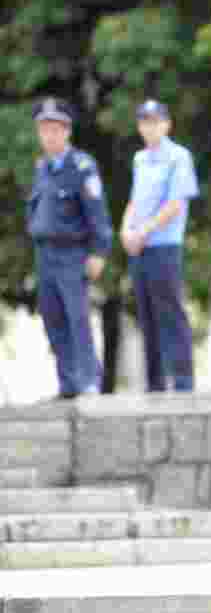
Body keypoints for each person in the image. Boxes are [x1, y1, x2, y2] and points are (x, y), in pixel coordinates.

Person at [26, 97, 112, 399]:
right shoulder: (42, 167)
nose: (49, 135)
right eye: (44, 129)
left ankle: (89, 381)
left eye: (55, 129)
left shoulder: (82, 166)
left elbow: (97, 213)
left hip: (72, 254)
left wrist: (99, 252)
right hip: (45, 255)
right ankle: (68, 383)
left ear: (66, 132)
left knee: (77, 318)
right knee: (53, 319)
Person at [120, 99, 199, 393]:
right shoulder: (140, 159)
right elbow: (134, 201)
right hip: (139, 247)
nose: (149, 127)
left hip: (164, 245)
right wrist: (125, 230)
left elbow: (176, 204)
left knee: (170, 312)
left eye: (155, 121)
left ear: (167, 124)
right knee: (146, 315)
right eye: (144, 122)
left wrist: (143, 231)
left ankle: (182, 382)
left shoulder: (179, 157)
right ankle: (154, 383)